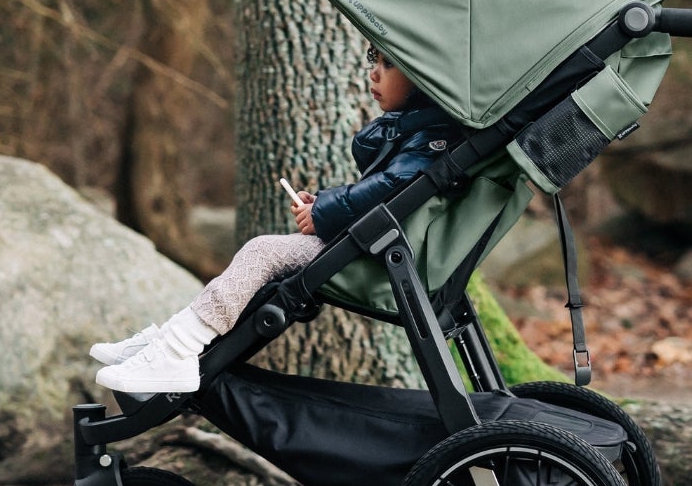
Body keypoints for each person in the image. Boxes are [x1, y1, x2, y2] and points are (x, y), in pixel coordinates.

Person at [92, 45, 461, 394]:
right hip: (381, 246)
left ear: (422, 76)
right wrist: (323, 205)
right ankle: (168, 342)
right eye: (373, 60)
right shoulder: (427, 130)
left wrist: (324, 212)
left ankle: (175, 350)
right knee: (261, 261)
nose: (373, 74)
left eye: (388, 64)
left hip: (386, 259)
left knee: (263, 252)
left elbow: (395, 185)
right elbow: (393, 190)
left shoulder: (434, 136)